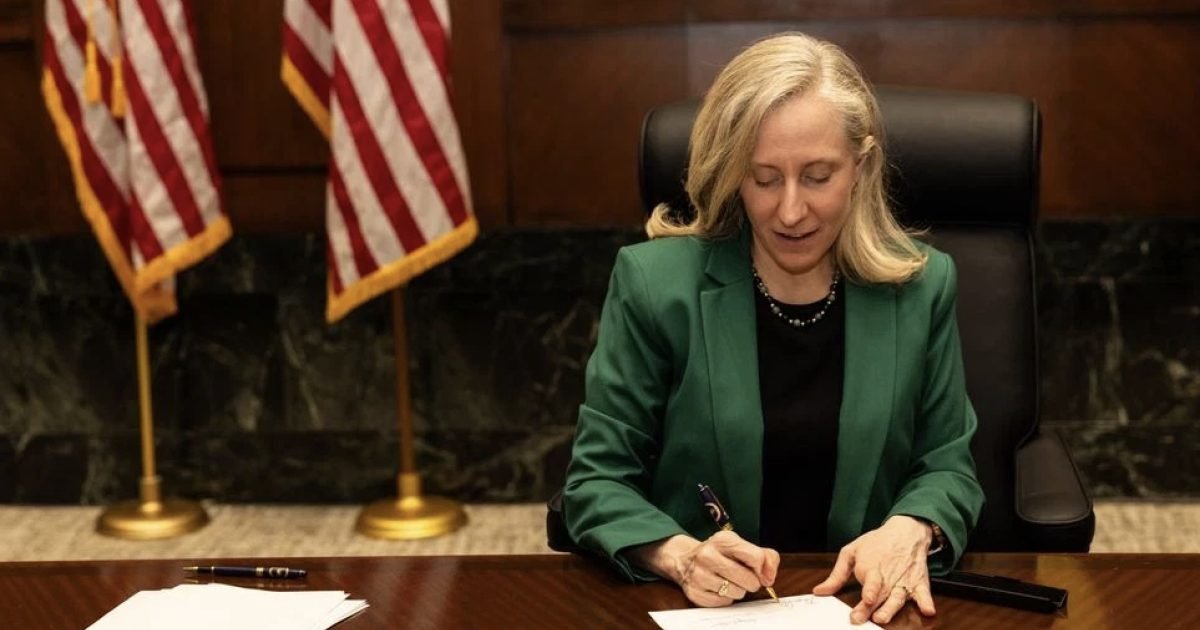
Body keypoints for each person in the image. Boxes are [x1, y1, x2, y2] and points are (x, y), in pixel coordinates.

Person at [561, 32, 984, 626]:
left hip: (862, 610)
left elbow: (946, 465)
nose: (790, 211)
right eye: (763, 179)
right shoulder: (656, 285)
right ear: (733, 174)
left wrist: (912, 526)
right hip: (702, 612)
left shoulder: (921, 286)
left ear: (860, 167)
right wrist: (680, 555)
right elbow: (595, 481)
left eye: (818, 176)